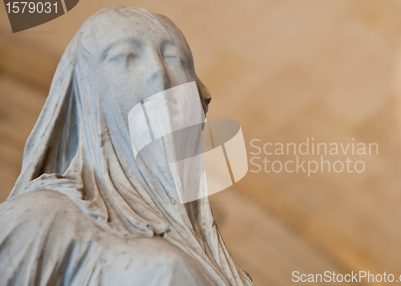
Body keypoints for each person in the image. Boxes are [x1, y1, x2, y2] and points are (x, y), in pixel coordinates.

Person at [0, 6, 253, 286]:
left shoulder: (226, 269)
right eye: (126, 56)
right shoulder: (43, 215)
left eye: (175, 59)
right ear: (88, 96)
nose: (158, 71)